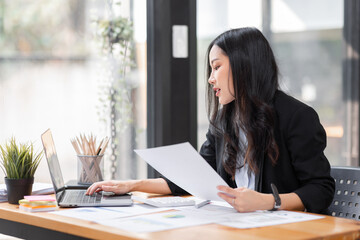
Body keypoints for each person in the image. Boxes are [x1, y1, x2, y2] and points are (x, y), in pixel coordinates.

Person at [86, 27, 335, 213]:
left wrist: (267, 201)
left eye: (217, 67)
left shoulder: (296, 117)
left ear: (243, 67)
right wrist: (131, 185)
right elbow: (193, 178)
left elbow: (320, 189)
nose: (210, 78)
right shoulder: (224, 120)